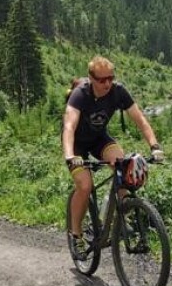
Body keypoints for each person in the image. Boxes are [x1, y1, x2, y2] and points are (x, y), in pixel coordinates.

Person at [62, 56, 164, 252]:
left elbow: (140, 120)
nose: (107, 83)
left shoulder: (118, 91)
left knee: (123, 167)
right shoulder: (80, 95)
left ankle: (114, 218)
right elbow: (69, 127)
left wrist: (154, 146)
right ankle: (76, 235)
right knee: (85, 186)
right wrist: (70, 156)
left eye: (110, 78)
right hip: (76, 145)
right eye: (101, 80)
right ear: (91, 78)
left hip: (99, 139)